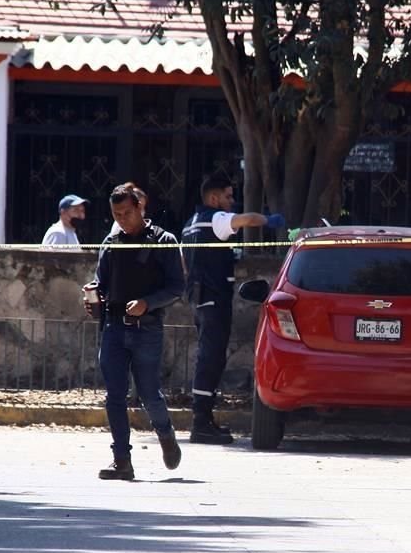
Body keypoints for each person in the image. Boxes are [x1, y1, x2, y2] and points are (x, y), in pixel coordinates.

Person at [89, 184, 185, 480]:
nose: (122, 219)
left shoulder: (163, 241)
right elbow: (100, 279)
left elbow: (177, 287)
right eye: (116, 214)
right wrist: (93, 295)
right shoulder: (112, 241)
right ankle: (122, 460)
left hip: (147, 328)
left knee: (148, 393)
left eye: (127, 213)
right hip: (114, 328)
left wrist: (147, 303)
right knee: (114, 395)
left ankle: (166, 434)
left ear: (140, 208)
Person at [182, 175, 285, 444]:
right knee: (210, 360)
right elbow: (247, 220)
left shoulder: (190, 225)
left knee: (208, 358)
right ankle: (201, 422)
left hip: (198, 299)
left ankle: (204, 420)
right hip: (214, 300)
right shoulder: (215, 218)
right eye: (228, 197)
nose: (231, 202)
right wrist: (268, 220)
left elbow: (188, 262)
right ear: (214, 198)